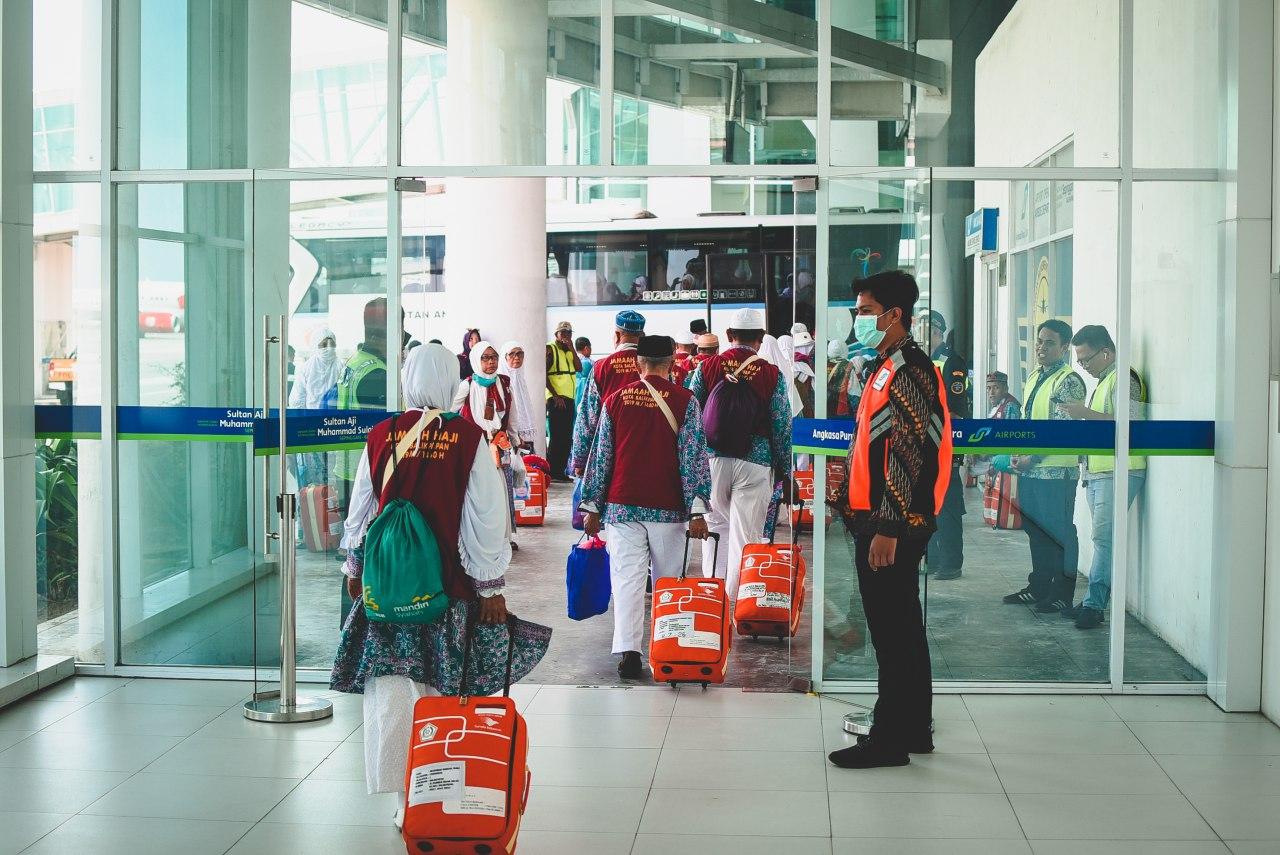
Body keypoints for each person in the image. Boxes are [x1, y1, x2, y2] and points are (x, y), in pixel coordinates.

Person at [329, 343, 550, 808]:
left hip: (387, 586)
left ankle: (401, 800)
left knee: (389, 687)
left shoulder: (382, 433)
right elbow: (484, 517)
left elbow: (362, 510)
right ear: (453, 380)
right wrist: (490, 584)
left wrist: (354, 565)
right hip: (445, 586)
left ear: (407, 379)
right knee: (440, 687)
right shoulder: (467, 438)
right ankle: (438, 793)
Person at [828, 271, 951, 770]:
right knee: (903, 628)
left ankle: (888, 739)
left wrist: (887, 527)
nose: (858, 320)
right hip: (878, 517)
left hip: (892, 524)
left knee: (891, 633)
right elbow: (873, 444)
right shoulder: (888, 364)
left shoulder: (910, 370)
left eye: (864, 311)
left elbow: (908, 453)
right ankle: (914, 729)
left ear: (893, 315)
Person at [579, 335, 713, 679]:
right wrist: (697, 509)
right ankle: (669, 647)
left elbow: (602, 454)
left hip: (622, 506)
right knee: (669, 582)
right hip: (668, 507)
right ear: (672, 363)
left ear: (638, 363)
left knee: (627, 579)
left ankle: (629, 651)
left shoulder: (615, 399)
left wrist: (592, 504)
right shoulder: (685, 400)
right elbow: (693, 458)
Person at [689, 308, 792, 604]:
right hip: (755, 462)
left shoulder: (707, 367)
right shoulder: (771, 374)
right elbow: (782, 425)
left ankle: (712, 602)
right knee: (746, 538)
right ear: (760, 339)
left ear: (729, 336)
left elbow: (691, 415)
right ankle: (738, 606)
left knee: (715, 530)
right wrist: (786, 472)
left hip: (713, 461)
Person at [1059, 325, 1147, 630]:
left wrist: (1083, 413)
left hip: (1119, 469)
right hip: (1099, 471)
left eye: (1085, 359)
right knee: (1101, 539)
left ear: (1105, 352)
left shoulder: (1125, 379)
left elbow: (1130, 423)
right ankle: (1091, 601)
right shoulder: (1106, 380)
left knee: (1104, 540)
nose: (1083, 366)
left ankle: (1094, 606)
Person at [1002, 318, 1086, 612]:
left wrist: (1031, 457)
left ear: (1064, 348)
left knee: (1059, 533)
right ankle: (1039, 588)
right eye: (1039, 341)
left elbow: (1061, 430)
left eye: (1050, 343)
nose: (1041, 347)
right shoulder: (1037, 375)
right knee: (1036, 530)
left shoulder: (1068, 381)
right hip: (1031, 470)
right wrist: (1018, 453)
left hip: (1056, 472)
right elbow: (1030, 422)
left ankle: (1062, 593)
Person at [917, 310, 970, 581]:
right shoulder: (921, 361)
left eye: (922, 327)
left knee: (948, 506)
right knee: (927, 505)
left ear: (936, 330)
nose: (917, 332)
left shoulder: (951, 362)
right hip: (924, 446)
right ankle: (933, 558)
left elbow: (956, 411)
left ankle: (950, 562)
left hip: (944, 447)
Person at [569, 310, 646, 479]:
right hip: (648, 447)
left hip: (610, 449)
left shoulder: (601, 367)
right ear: (643, 335)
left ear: (617, 335)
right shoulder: (655, 366)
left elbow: (588, 418)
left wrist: (580, 460)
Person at [453, 342, 516, 538]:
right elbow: (449, 410)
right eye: (485, 358)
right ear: (475, 360)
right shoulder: (468, 385)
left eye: (494, 357)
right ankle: (478, 536)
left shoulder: (504, 383)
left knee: (501, 490)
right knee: (479, 491)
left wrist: (515, 439)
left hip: (500, 445)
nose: (491, 362)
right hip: (476, 447)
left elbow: (512, 414)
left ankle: (503, 536)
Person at [545, 322, 581, 482]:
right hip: (556, 400)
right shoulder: (550, 349)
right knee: (557, 436)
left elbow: (579, 368)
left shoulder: (568, 351)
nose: (566, 336)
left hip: (569, 399)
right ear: (556, 335)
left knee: (566, 437)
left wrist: (572, 347)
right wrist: (555, 396)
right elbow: (543, 374)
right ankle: (552, 471)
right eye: (563, 333)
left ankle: (560, 471)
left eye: (569, 333)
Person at [499, 341, 537, 453]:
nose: (516, 357)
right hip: (508, 435)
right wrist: (514, 435)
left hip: (524, 433)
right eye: (512, 354)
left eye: (520, 353)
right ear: (504, 357)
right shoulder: (501, 381)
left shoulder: (520, 377)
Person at [573, 336, 593, 410]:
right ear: (586, 348)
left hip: (573, 394)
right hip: (585, 394)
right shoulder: (589, 362)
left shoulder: (572, 361)